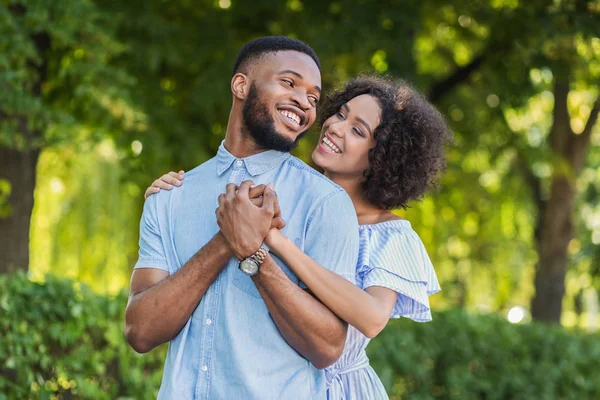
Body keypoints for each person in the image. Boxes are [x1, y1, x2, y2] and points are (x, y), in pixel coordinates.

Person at [147, 75, 452, 399]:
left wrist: (277, 243)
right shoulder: (289, 200)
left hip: (342, 390)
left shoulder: (388, 235)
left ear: (383, 159)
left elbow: (372, 317)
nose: (335, 127)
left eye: (357, 131)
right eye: (340, 113)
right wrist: (173, 193)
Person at [125, 36, 361, 400]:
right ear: (241, 85)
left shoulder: (325, 202)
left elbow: (328, 348)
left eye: (313, 97)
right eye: (289, 82)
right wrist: (225, 242)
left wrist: (255, 254)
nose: (304, 102)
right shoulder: (169, 197)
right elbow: (140, 331)